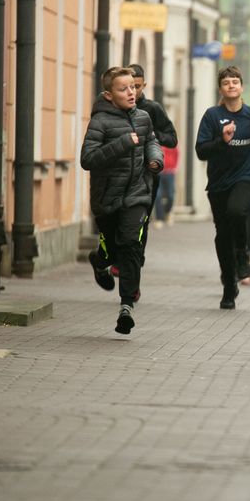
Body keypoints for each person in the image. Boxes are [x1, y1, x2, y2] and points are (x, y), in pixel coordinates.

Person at [80, 66, 163, 334]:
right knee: (112, 248)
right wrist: (123, 144)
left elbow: (151, 141)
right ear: (108, 95)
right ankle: (100, 260)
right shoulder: (100, 122)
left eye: (133, 87)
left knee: (130, 245)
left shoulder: (143, 117)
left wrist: (155, 159)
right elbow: (88, 159)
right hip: (107, 199)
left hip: (137, 194)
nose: (131, 92)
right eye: (123, 88)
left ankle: (126, 306)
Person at [195, 66, 250, 310]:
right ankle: (229, 285)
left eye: (235, 81)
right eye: (226, 82)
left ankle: (243, 254)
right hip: (219, 182)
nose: (231, 85)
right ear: (220, 89)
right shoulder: (212, 116)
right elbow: (201, 151)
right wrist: (222, 140)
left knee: (237, 211)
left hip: (247, 176)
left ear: (242, 87)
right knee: (222, 235)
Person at [128, 64, 178, 246]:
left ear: (144, 85)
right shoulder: (112, 108)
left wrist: (152, 134)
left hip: (147, 174)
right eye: (128, 86)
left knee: (141, 220)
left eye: (137, 86)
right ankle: (118, 258)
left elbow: (172, 138)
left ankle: (135, 257)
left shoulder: (152, 109)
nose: (132, 91)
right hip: (119, 174)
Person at [154, 145, 178, 228]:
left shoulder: (172, 141)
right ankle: (159, 219)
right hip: (158, 173)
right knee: (158, 196)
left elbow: (177, 154)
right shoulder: (155, 142)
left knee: (170, 195)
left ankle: (167, 212)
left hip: (169, 173)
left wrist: (175, 168)